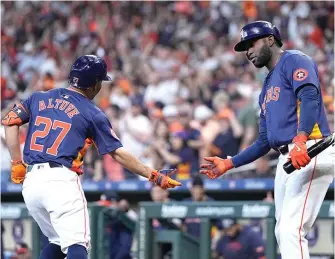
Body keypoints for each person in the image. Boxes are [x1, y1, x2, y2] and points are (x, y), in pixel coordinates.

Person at [1, 55, 182, 259]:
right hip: (61, 180)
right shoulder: (92, 112)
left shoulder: (38, 97)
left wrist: (16, 162)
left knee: (58, 242)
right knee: (78, 245)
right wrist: (154, 175)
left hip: (32, 183)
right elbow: (118, 153)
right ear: (94, 84)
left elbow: (9, 122)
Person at [200, 21, 334, 259]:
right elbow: (264, 140)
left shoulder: (294, 60)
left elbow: (310, 98)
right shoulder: (265, 87)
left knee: (290, 229)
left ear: (270, 39)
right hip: (288, 156)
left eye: (252, 43)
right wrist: (230, 163)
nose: (248, 51)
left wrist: (302, 140)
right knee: (282, 231)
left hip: (311, 149)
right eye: (245, 48)